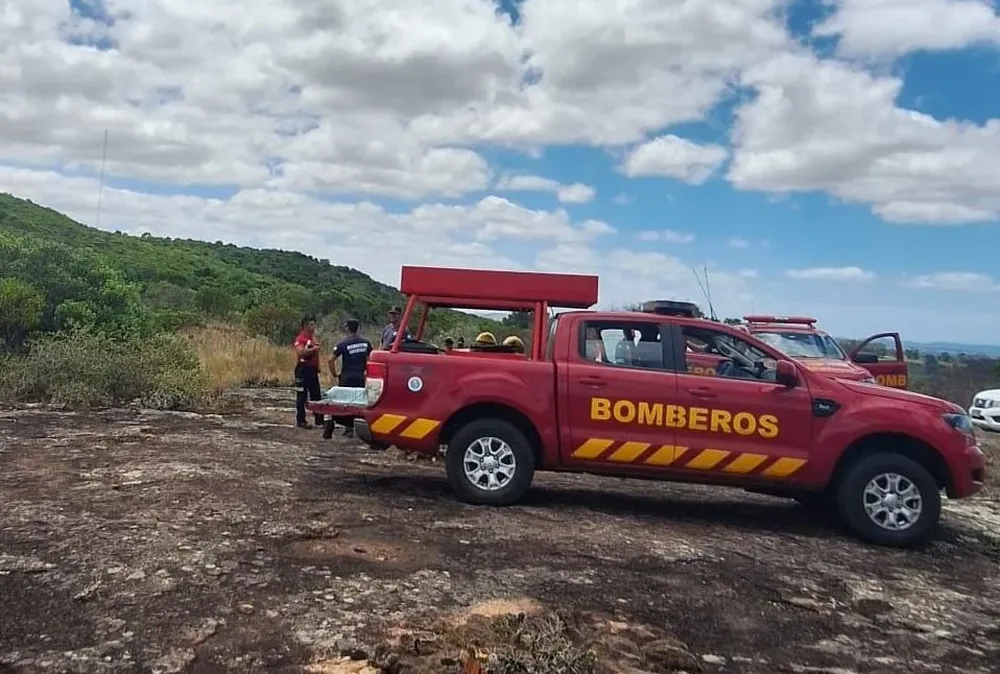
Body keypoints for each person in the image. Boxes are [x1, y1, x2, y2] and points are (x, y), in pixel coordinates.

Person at [327, 318, 373, 438]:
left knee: (345, 403)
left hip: (347, 376)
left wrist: (335, 374)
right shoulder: (366, 343)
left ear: (348, 328)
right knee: (360, 403)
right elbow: (370, 361)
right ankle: (360, 426)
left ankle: (348, 428)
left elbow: (330, 359)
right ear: (358, 328)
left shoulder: (342, 343)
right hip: (361, 376)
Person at [293, 316, 324, 429]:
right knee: (302, 395)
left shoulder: (313, 338)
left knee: (316, 394)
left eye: (314, 324)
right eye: (311, 324)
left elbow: (316, 354)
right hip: (302, 370)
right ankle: (301, 420)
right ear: (305, 325)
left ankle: (319, 420)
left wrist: (318, 366)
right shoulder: (301, 338)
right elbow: (300, 352)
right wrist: (314, 349)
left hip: (312, 370)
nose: (314, 326)